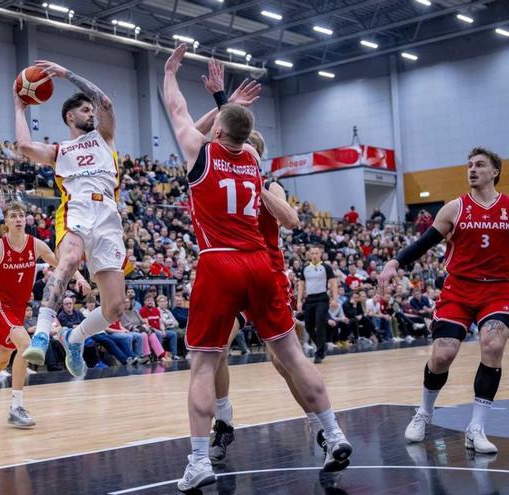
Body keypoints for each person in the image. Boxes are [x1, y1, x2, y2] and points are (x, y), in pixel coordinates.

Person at [163, 46, 351, 491]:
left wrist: (170, 73)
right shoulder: (253, 162)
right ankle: (334, 430)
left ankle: (197, 459)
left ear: (221, 130)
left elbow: (177, 110)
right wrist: (228, 102)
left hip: (220, 262)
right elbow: (236, 131)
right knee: (291, 356)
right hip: (259, 265)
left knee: (203, 364)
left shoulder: (204, 153)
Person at [379, 147, 508, 454]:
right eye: (469, 165)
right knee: (442, 357)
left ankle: (476, 428)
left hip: (499, 291)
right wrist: (393, 263)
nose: (472, 169)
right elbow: (423, 244)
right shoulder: (454, 209)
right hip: (459, 291)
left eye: (480, 165)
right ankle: (424, 411)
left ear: (495, 172)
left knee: (493, 345)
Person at [15, 60, 123, 377]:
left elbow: (106, 102)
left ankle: (73, 338)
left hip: (108, 216)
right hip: (76, 209)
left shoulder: (105, 136)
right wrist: (19, 107)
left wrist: (68, 75)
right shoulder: (59, 150)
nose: (92, 113)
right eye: (85, 111)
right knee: (71, 258)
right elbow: (23, 145)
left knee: (115, 308)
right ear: (70, 117)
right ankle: (40, 333)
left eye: (92, 110)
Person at [0, 202, 86, 427]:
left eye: (22, 215)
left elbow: (61, 265)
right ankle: (16, 408)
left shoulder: (36, 245)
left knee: (0, 360)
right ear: (7, 222)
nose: (19, 219)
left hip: (19, 309)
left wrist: (79, 277)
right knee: (26, 345)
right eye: (13, 216)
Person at [297, 246, 338, 363]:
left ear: (320, 254)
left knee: (320, 323)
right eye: (312, 253)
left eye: (316, 253)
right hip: (309, 299)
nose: (314, 255)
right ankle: (322, 345)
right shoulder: (305, 268)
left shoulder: (326, 267)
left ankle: (319, 354)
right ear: (309, 255)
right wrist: (299, 301)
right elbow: (301, 285)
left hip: (322, 298)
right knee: (309, 326)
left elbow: (333, 283)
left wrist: (334, 299)